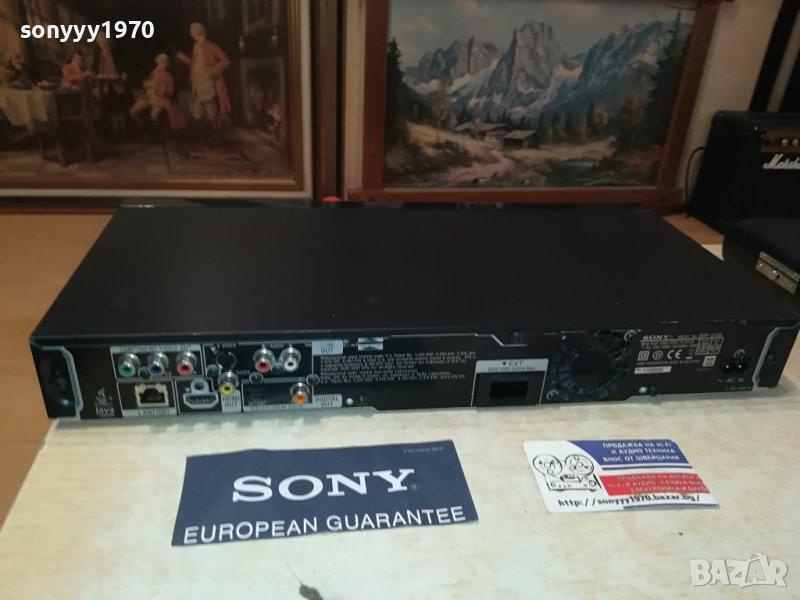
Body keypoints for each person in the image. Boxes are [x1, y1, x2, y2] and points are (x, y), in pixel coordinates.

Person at [176, 23, 230, 130]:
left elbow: (226, 61)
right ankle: (205, 133)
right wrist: (184, 59)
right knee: (197, 111)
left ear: (197, 32)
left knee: (210, 109)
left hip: (207, 83)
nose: (191, 33)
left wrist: (214, 70)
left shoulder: (210, 46)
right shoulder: (196, 46)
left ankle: (215, 132)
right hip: (197, 84)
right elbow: (195, 65)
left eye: (192, 31)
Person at [129, 53, 184, 131]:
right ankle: (142, 128)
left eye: (163, 62)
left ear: (166, 64)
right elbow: (145, 84)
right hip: (149, 98)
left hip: (160, 100)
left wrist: (162, 89)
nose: (161, 64)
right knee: (133, 111)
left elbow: (171, 91)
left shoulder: (168, 76)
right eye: (160, 61)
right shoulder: (153, 73)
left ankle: (157, 131)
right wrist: (148, 84)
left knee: (154, 115)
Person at [91, 33, 129, 132]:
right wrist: (94, 73)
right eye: (100, 40)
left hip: (116, 80)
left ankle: (123, 127)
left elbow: (122, 63)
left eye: (103, 39)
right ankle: (115, 128)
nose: (102, 42)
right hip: (105, 83)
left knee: (120, 103)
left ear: (107, 40)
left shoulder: (114, 50)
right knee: (109, 104)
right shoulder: (97, 52)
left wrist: (123, 73)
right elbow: (94, 66)